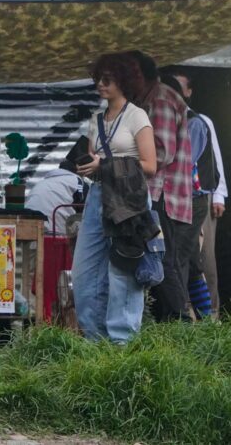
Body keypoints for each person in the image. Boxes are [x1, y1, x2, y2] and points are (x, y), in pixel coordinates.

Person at [71, 52, 157, 343]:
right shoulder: (96, 120)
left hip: (129, 200)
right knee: (84, 272)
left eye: (107, 79)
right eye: (98, 79)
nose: (100, 84)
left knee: (123, 269)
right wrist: (88, 166)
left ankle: (122, 344)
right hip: (98, 195)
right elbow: (95, 161)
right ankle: (95, 341)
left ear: (123, 80)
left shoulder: (137, 116)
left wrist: (105, 165)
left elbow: (150, 165)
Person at [128, 52, 195, 323]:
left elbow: (160, 154)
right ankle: (169, 324)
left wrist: (119, 161)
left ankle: (181, 322)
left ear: (138, 75)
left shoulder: (160, 99)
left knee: (161, 257)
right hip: (159, 192)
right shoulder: (149, 99)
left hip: (162, 193)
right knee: (158, 258)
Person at [171, 70, 228, 317]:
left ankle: (210, 313)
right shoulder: (164, 120)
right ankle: (187, 313)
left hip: (198, 196)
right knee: (185, 257)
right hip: (174, 198)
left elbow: (214, 159)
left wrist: (219, 194)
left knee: (204, 258)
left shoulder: (199, 121)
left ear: (189, 92)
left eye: (179, 87)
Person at [25, 142, 88, 235]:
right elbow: (87, 212)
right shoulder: (78, 182)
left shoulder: (44, 182)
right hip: (55, 234)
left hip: (28, 229)